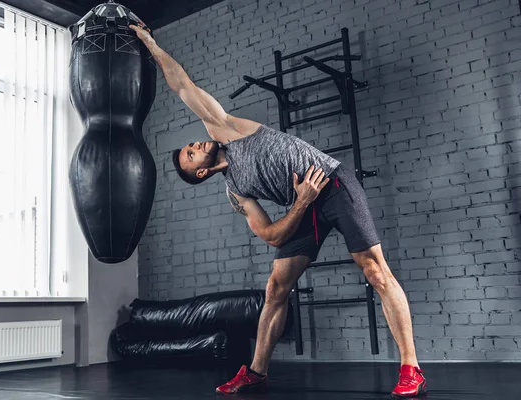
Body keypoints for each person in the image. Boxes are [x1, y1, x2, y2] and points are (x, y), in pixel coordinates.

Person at [130, 24, 428, 399]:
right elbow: (271, 235)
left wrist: (150, 44)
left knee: (375, 271)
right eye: (191, 155)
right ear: (201, 172)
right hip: (304, 202)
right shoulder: (236, 192)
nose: (194, 145)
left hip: (333, 183)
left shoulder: (227, 129)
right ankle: (256, 372)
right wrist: (302, 201)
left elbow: (183, 87)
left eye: (189, 145)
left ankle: (411, 368)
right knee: (275, 288)